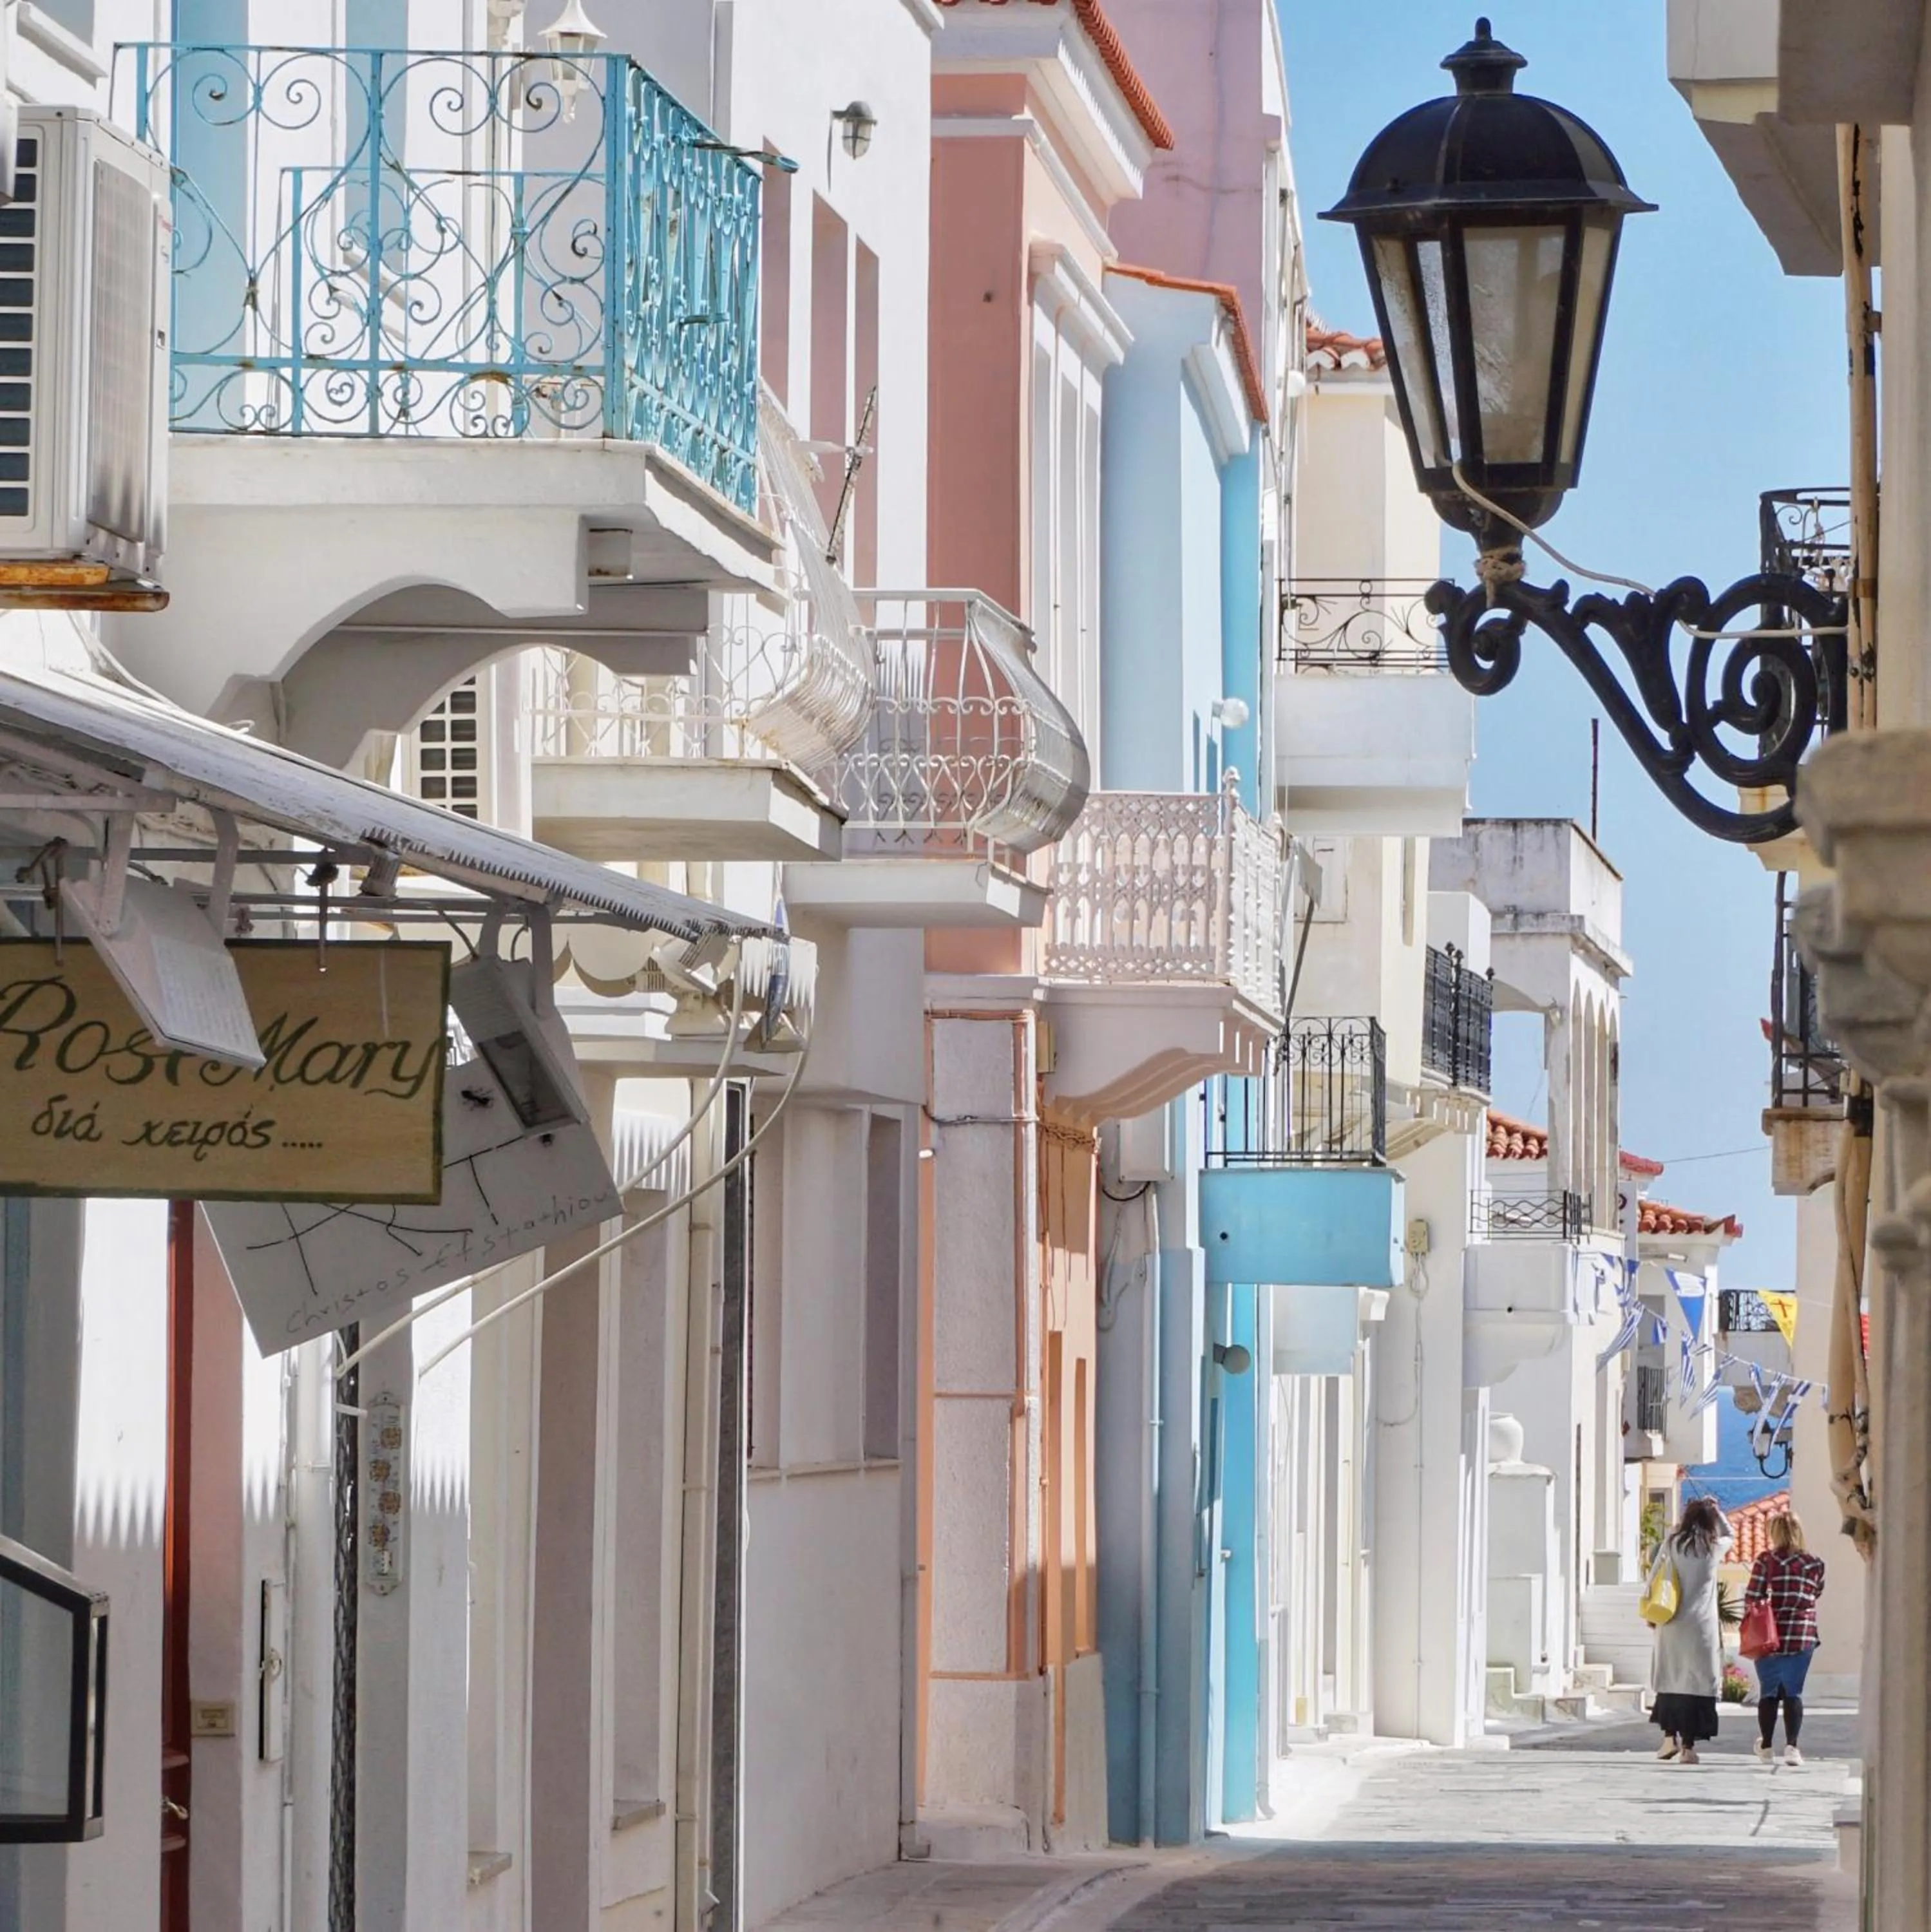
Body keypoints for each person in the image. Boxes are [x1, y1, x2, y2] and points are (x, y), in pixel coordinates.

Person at [1647, 1495, 1734, 1764]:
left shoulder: (1673, 1543)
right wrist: (1717, 1512)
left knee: (1671, 1679)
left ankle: (1668, 1738)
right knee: (1696, 1684)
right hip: (1701, 1628)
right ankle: (1688, 1747)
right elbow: (1730, 1534)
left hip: (1671, 1621)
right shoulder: (1713, 1548)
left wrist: (1650, 1610)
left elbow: (1655, 1574)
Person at [1746, 1510, 1827, 1766]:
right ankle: (1792, 1747)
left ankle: (1767, 1746)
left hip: (1769, 1636)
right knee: (1794, 1691)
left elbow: (1752, 1597)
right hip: (1802, 1635)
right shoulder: (1814, 1564)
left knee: (1769, 1692)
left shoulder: (1765, 1561)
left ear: (1775, 1533)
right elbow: (1817, 1592)